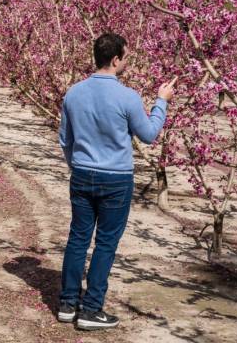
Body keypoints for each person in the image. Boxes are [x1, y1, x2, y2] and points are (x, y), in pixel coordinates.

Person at [57, 33, 176, 330]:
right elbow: (149, 135)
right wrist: (161, 102)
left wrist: (78, 165)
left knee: (77, 239)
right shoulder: (127, 97)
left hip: (82, 175)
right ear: (115, 59)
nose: (127, 61)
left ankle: (67, 303)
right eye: (126, 56)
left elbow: (65, 140)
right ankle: (92, 309)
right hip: (116, 180)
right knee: (106, 243)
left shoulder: (73, 93)